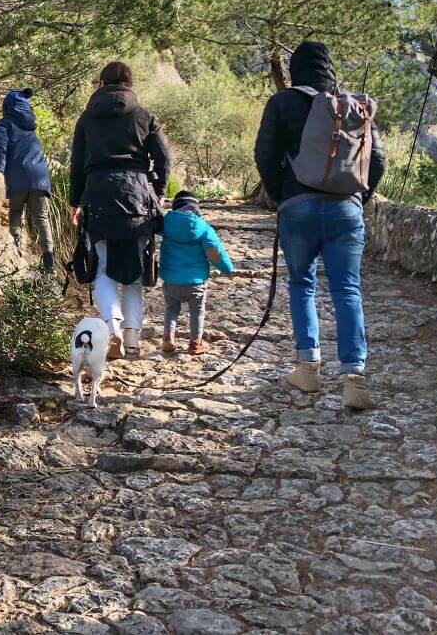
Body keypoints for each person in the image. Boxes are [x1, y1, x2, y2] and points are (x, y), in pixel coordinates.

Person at [254, 40, 386, 409]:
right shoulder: (353, 107)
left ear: (296, 69)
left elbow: (264, 153)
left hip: (298, 207)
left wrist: (282, 195)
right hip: (346, 209)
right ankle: (355, 379)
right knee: (347, 290)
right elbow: (377, 161)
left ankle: (308, 369)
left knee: (302, 284)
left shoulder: (282, 102)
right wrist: (362, 197)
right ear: (330, 69)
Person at [68, 61, 172, 359]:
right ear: (129, 83)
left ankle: (111, 330)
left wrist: (76, 201)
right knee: (134, 272)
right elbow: (164, 159)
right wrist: (160, 193)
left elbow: (77, 164)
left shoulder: (87, 118)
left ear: (101, 83)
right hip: (138, 197)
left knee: (102, 267)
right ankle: (132, 340)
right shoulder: (143, 116)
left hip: (98, 195)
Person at [159, 191, 234, 355]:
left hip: (171, 281)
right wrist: (228, 269)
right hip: (196, 283)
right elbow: (215, 253)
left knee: (171, 309)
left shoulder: (165, 224)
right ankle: (195, 342)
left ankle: (168, 338)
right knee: (197, 311)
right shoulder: (204, 228)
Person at [0, 88, 55, 271]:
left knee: (16, 212)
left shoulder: (4, 125)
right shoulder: (30, 128)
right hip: (40, 179)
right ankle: (49, 257)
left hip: (17, 179)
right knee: (42, 217)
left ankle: (16, 251)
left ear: (7, 106)